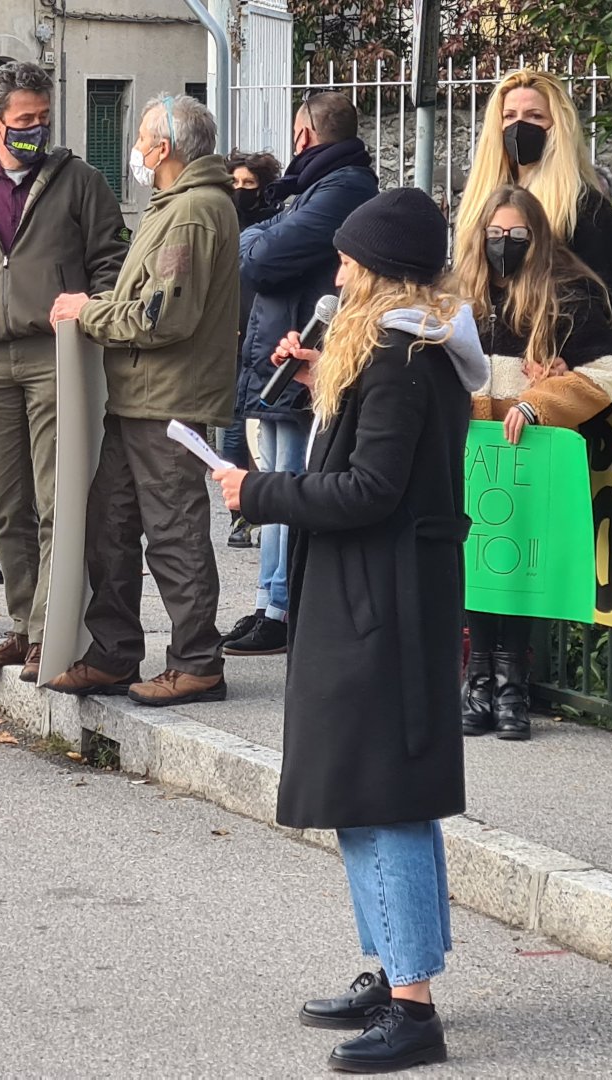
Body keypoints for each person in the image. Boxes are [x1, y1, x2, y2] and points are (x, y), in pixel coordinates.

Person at [213, 187, 487, 1073]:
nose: (335, 275)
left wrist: (257, 492)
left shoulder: (404, 359)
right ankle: (395, 972)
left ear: (377, 273)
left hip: (383, 601)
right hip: (375, 593)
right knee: (369, 793)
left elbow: (370, 490)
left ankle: (414, 1005)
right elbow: (378, 466)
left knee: (385, 800)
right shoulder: (399, 350)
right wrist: (313, 379)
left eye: (346, 262)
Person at [0, 60, 127, 684]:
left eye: (42, 119)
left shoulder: (80, 182)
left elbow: (110, 260)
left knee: (55, 498)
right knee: (5, 503)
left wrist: (87, 321)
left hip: (55, 356)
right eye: (23, 121)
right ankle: (19, 626)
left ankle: (49, 631)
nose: (36, 130)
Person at [45, 94, 238, 707]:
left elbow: (164, 317)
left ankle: (197, 663)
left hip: (168, 400)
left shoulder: (191, 213)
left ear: (164, 149)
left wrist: (89, 311)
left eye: (143, 138)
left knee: (174, 530)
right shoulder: (175, 206)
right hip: (139, 398)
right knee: (112, 526)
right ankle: (114, 652)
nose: (137, 148)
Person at [453, 184, 612, 740]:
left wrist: (539, 402)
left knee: (518, 567)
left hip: (531, 455)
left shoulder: (568, 293)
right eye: (495, 234)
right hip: (475, 452)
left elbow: (604, 375)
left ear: (538, 236)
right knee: (479, 563)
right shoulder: (460, 294)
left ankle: (511, 686)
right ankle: (477, 679)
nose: (504, 244)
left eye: (517, 235)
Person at [227, 90, 378, 659]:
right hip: (280, 350)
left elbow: (261, 258)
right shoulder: (312, 186)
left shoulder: (344, 187)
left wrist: (247, 239)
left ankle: (284, 606)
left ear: (304, 134)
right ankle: (269, 599)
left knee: (288, 482)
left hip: (305, 352)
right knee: (272, 482)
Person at [456, 69, 612, 305]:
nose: (520, 125)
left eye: (535, 116)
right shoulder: (481, 199)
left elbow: (603, 300)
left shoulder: (586, 208)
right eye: (510, 116)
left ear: (557, 126)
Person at [216, 148, 284, 515]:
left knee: (264, 428)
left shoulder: (275, 228)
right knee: (232, 425)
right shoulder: (222, 222)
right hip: (231, 336)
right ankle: (237, 512)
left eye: (249, 183)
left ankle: (258, 502)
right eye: (235, 183)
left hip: (262, 335)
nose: (241, 190)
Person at [227, 150, 283, 229]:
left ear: (261, 187)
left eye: (248, 182)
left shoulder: (275, 221)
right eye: (235, 182)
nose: (240, 187)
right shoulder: (224, 218)